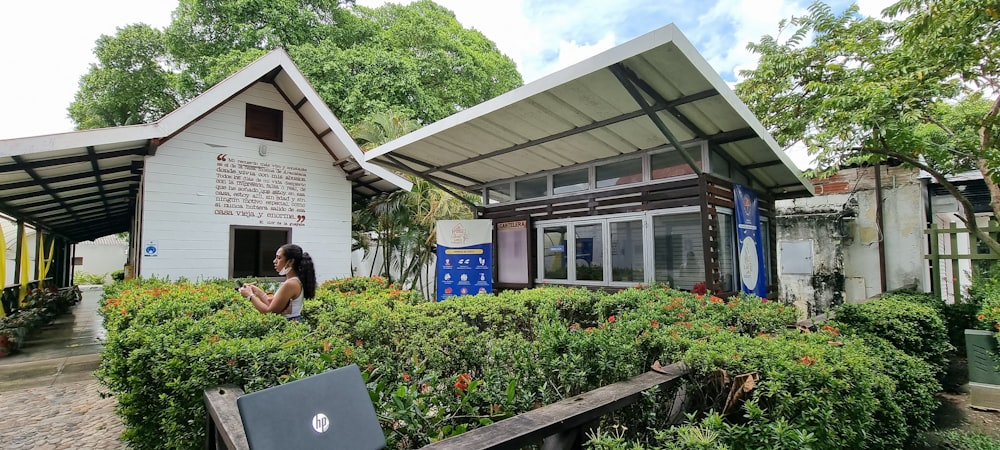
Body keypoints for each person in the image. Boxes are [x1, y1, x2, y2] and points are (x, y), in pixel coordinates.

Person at [238, 244, 316, 321]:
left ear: (291, 261)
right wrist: (257, 291)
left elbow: (269, 312)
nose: (274, 261)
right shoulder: (293, 281)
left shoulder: (290, 284)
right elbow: (274, 306)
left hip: (288, 326)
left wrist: (250, 296)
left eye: (279, 258)